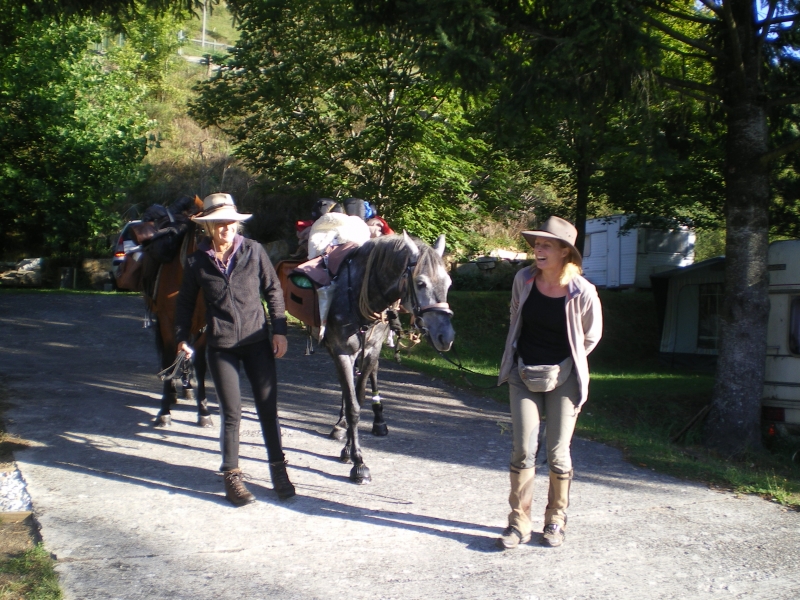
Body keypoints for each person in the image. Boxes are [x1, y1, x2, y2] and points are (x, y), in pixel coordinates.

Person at [175, 193, 295, 505]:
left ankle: (278, 470)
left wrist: (279, 331)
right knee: (232, 414)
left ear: (237, 224)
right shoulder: (196, 261)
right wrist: (182, 339)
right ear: (209, 227)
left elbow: (273, 290)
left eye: (231, 221)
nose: (226, 227)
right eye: (219, 222)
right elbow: (186, 304)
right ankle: (232, 476)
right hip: (221, 345)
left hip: (257, 341)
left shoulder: (254, 251)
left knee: (268, 409)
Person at [496, 216, 602, 549]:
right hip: (523, 373)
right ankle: (518, 523)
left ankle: (555, 520)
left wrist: (567, 365)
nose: (537, 250)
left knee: (558, 454)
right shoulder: (524, 279)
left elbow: (591, 336)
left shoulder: (581, 291)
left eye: (546, 245)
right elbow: (516, 315)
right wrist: (516, 361)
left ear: (564, 252)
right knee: (524, 449)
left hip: (565, 379)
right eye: (536, 244)